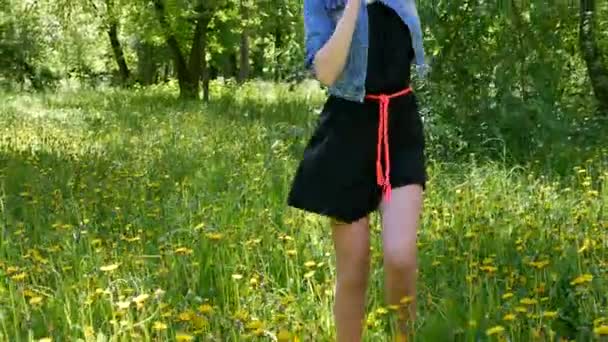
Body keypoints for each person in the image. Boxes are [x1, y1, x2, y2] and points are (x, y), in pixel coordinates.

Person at [287, 0, 428, 341]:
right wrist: (352, 6)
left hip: (399, 126)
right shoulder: (320, 3)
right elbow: (325, 72)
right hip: (346, 132)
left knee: (400, 255)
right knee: (353, 268)